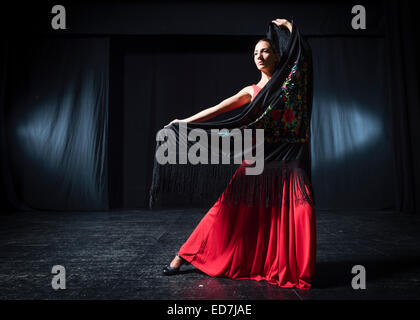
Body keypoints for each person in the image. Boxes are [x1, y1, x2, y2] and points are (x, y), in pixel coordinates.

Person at [159, 18, 316, 290]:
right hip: (256, 162)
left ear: (277, 55)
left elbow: (304, 62)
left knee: (298, 212)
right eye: (255, 53)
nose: (259, 56)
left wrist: (291, 27)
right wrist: (183, 122)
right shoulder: (251, 91)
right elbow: (218, 109)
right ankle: (183, 255)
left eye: (265, 51)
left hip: (288, 159)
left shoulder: (289, 86)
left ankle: (284, 265)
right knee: (226, 212)